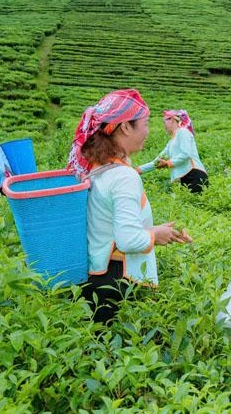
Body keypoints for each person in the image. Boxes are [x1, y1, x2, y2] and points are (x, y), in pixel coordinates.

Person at [67, 89, 192, 324]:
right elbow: (128, 240)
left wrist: (159, 231)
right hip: (114, 282)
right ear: (125, 127)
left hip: (95, 278)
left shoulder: (99, 167)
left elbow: (112, 225)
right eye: (145, 124)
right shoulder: (124, 176)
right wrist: (155, 234)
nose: (148, 131)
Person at [137, 110, 209, 193]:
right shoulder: (171, 142)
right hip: (183, 178)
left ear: (171, 119)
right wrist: (138, 170)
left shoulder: (183, 132)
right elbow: (157, 162)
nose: (164, 126)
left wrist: (167, 163)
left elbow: (186, 154)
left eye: (164, 122)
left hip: (194, 174)